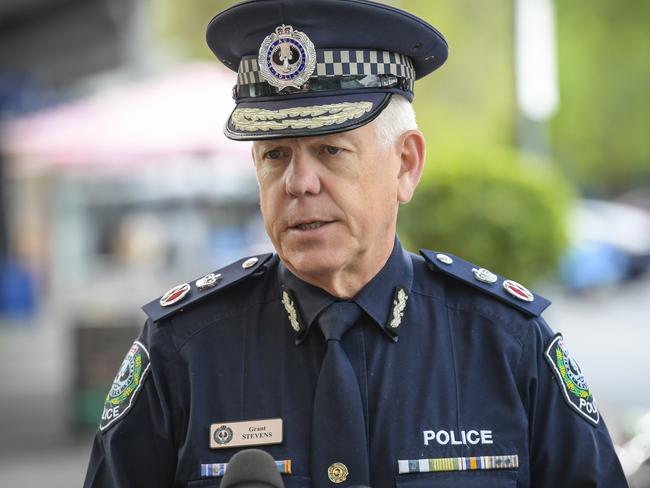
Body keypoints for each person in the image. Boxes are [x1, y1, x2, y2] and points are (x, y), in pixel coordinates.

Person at [83, 0, 628, 487]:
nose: (299, 183)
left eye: (330, 151)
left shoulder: (507, 343)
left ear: (406, 165)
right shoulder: (183, 348)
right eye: (275, 155)